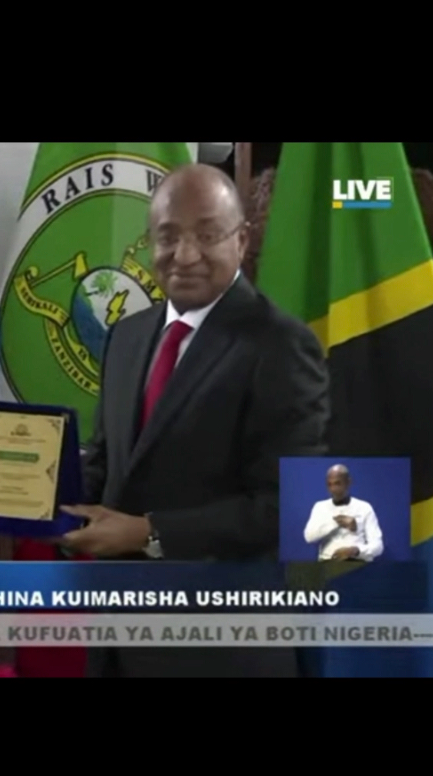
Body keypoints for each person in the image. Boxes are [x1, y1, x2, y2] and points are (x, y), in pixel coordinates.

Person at [58, 164, 330, 677]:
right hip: (118, 640)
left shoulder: (281, 345)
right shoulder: (128, 336)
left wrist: (147, 533)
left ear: (241, 240)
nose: (184, 255)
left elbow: (287, 508)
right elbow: (108, 463)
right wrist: (38, 505)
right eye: (168, 236)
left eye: (207, 235)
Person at [303, 464, 384, 562]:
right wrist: (336, 523)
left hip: (357, 562)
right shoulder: (319, 507)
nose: (333, 489)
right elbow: (309, 537)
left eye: (337, 484)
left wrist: (355, 551)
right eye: (329, 484)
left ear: (348, 482)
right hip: (328, 562)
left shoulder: (364, 507)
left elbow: (378, 546)